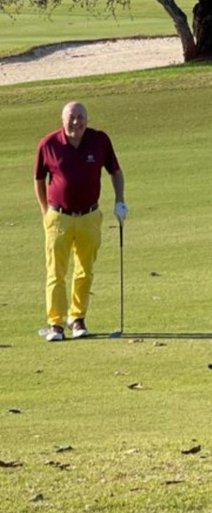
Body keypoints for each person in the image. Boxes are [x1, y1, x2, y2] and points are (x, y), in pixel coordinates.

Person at [34, 100, 128, 341]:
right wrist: (45, 210)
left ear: (87, 119)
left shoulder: (99, 140)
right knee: (56, 272)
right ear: (63, 120)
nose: (76, 122)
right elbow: (39, 179)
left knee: (85, 271)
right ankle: (55, 323)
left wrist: (120, 200)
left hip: (89, 216)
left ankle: (77, 319)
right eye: (72, 117)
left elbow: (115, 171)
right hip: (59, 217)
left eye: (81, 117)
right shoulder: (49, 144)